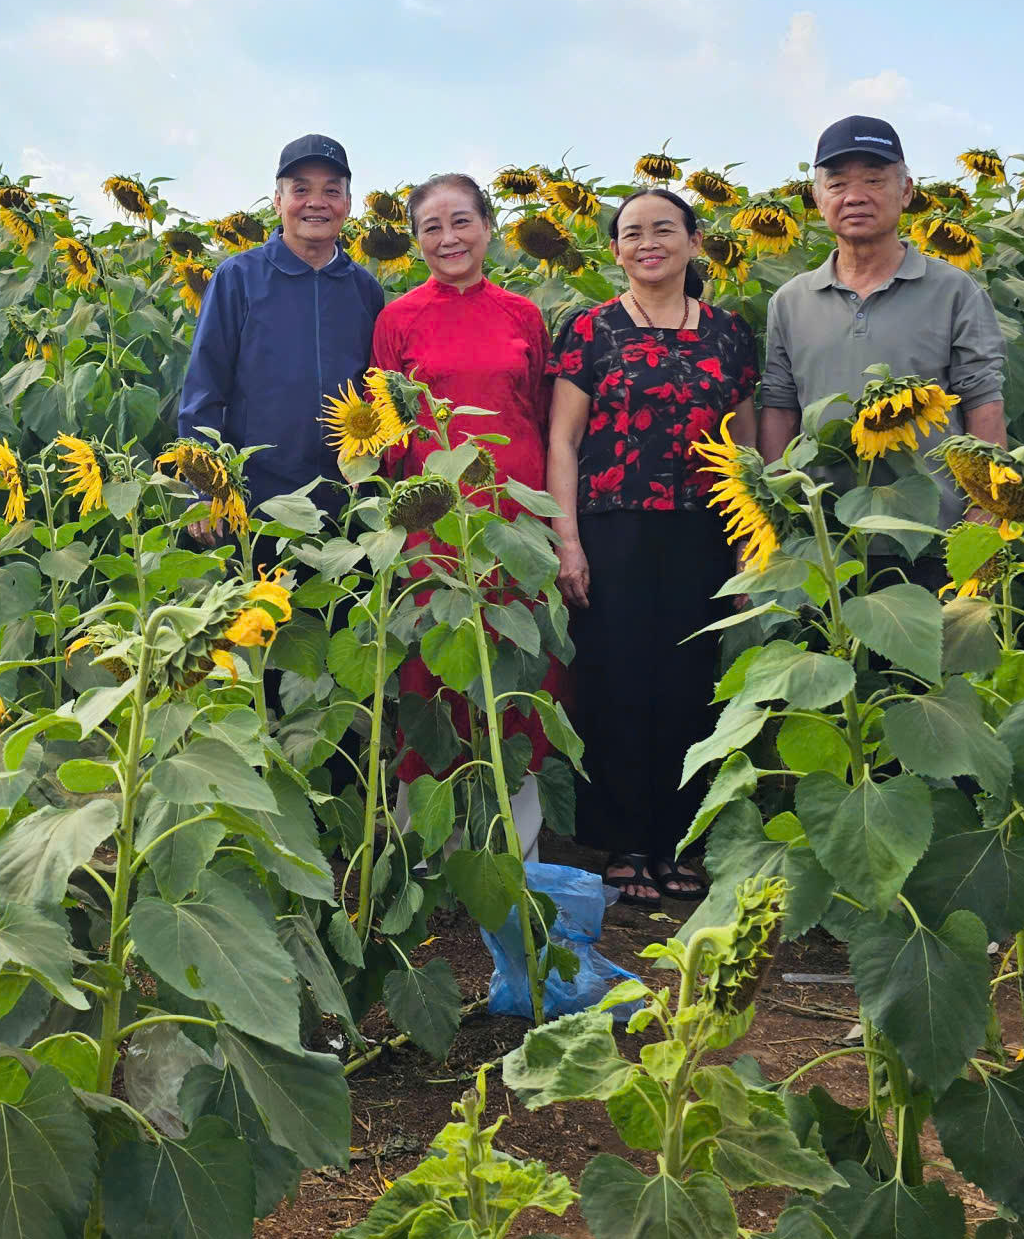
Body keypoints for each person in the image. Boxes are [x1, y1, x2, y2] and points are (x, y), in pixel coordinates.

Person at [546, 188, 758, 904]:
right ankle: (624, 841)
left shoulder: (730, 334)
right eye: (631, 233)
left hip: (704, 524)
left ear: (696, 241)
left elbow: (749, 446)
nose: (648, 243)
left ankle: (681, 841)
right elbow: (563, 439)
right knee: (616, 679)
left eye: (664, 229)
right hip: (612, 525)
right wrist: (567, 539)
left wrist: (750, 545)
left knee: (693, 684)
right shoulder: (591, 329)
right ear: (614, 251)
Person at [370, 174, 564, 861]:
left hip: (514, 520)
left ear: (489, 226)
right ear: (417, 239)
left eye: (461, 222)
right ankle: (426, 847)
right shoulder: (398, 319)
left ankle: (516, 848)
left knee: (518, 673)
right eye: (431, 227)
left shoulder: (523, 315)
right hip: (434, 524)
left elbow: (538, 418)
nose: (448, 238)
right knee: (432, 673)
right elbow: (392, 435)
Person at [756, 116, 1007, 541]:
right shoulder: (791, 300)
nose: (854, 197)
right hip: (822, 534)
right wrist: (776, 516)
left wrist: (986, 510)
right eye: (836, 185)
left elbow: (983, 400)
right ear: (817, 199)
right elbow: (780, 407)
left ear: (905, 191)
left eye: (874, 181)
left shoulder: (953, 290)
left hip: (936, 528)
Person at [176, 133, 386, 521]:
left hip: (348, 505)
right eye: (301, 189)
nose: (316, 202)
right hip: (255, 502)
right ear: (278, 201)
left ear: (348, 204)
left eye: (331, 191)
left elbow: (377, 394)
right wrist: (202, 488)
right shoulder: (238, 278)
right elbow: (203, 393)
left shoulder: (365, 290)